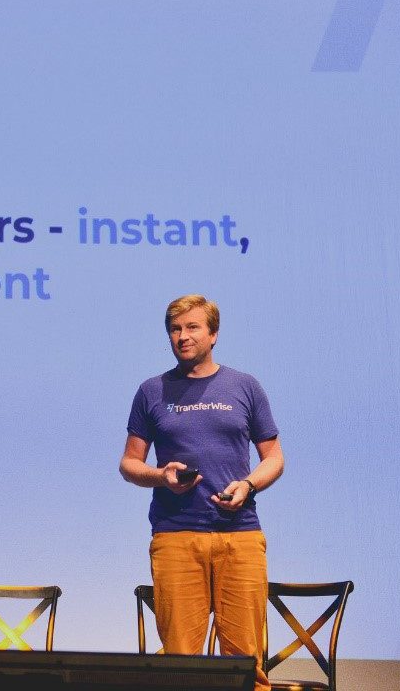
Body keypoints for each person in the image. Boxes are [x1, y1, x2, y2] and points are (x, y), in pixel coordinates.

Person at [119, 294, 284, 691]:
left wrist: (248, 484)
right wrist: (162, 476)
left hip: (240, 536)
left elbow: (274, 458)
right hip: (176, 536)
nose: (183, 336)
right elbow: (129, 463)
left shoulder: (245, 386)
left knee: (246, 665)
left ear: (213, 334)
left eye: (192, 327)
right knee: (179, 666)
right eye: (175, 329)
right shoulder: (151, 391)